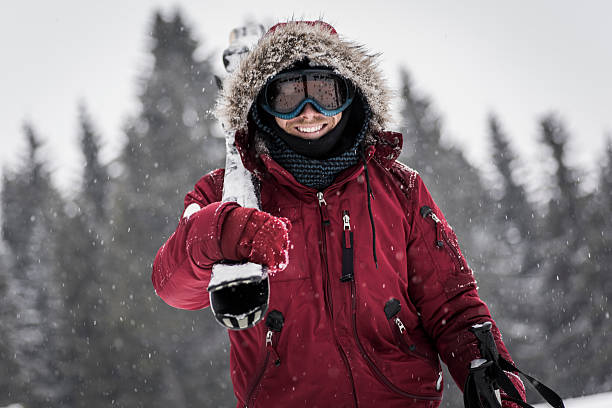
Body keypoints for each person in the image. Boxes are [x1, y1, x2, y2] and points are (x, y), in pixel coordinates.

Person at [152, 20, 526, 408]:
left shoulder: (400, 189)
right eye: (289, 95)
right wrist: (223, 230)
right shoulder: (225, 194)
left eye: (325, 92)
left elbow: (453, 306)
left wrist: (488, 375)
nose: (309, 111)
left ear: (350, 94)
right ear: (263, 99)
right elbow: (171, 285)